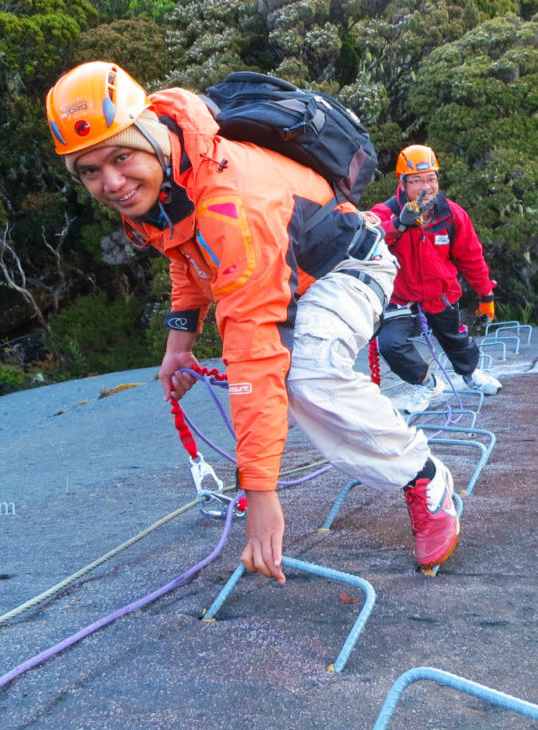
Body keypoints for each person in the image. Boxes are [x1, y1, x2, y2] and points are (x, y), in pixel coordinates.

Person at [45, 62, 462, 577]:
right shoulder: (166, 169)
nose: (111, 183)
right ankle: (409, 470)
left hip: (348, 264)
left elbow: (254, 345)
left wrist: (260, 491)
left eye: (120, 157)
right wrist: (180, 340)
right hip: (291, 274)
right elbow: (184, 253)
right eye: (89, 169)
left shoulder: (228, 200)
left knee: (307, 373)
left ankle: (425, 477)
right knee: (293, 376)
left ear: (148, 134)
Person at [371, 144, 502, 414]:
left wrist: (486, 295)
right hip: (400, 296)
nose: (425, 187)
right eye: (417, 180)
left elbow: (471, 257)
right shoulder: (386, 211)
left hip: (439, 291)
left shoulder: (451, 214)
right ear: (403, 183)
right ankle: (426, 382)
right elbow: (366, 236)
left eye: (431, 178)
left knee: (455, 337)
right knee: (391, 344)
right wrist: (399, 224)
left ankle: (470, 373)